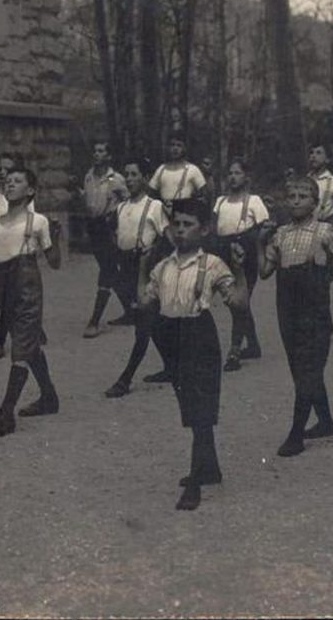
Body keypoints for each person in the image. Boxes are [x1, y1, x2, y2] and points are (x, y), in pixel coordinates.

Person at [139, 197, 247, 511]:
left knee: (200, 409)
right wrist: (143, 267)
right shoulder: (163, 267)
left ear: (204, 230)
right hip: (171, 336)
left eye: (189, 225)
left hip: (200, 335)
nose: (181, 231)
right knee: (189, 405)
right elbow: (144, 304)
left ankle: (196, 481)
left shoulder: (212, 265)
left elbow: (237, 304)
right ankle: (210, 468)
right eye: (177, 225)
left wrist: (239, 271)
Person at [257, 176, 333, 457]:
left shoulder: (325, 232)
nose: (297, 201)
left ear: (316, 202)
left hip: (315, 311)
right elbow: (265, 271)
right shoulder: (280, 234)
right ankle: (325, 421)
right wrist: (259, 243)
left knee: (308, 369)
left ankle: (296, 433)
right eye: (292, 196)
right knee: (299, 368)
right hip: (287, 309)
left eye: (304, 196)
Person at [0, 165, 63, 438]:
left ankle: (5, 414)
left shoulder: (38, 222)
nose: (10, 184)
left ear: (30, 190)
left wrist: (56, 238)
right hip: (3, 289)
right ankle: (49, 397)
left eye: (17, 181)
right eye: (8, 181)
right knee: (27, 345)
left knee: (20, 349)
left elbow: (55, 263)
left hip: (27, 290)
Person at [103, 160, 171, 398]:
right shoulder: (121, 208)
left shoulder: (155, 207)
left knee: (143, 326)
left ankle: (125, 379)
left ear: (145, 177)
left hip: (149, 268)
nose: (130, 179)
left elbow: (168, 239)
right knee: (152, 322)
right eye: (127, 175)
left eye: (134, 174)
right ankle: (172, 367)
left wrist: (152, 255)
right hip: (128, 268)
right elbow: (116, 236)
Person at [211, 161, 270, 369]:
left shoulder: (254, 201)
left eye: (237, 173)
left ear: (246, 177)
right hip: (224, 254)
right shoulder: (220, 202)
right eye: (230, 172)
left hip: (247, 256)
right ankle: (253, 345)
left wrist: (251, 241)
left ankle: (234, 352)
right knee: (236, 303)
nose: (233, 176)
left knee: (240, 303)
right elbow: (214, 228)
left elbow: (265, 228)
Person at [0, 152, 34, 360]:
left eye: (8, 169)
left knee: (9, 299)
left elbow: (26, 223)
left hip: (16, 253)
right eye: (1, 169)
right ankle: (32, 329)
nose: (3, 173)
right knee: (3, 299)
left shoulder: (23, 199)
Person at [78, 141, 130, 338]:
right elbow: (89, 204)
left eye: (101, 151)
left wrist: (116, 218)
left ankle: (94, 320)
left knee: (107, 270)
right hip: (94, 227)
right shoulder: (89, 176)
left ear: (108, 156)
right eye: (95, 150)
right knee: (110, 271)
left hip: (110, 228)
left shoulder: (116, 179)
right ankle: (130, 310)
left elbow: (128, 203)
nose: (96, 154)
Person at [147, 131, 208, 208]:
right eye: (172, 145)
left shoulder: (192, 169)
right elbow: (151, 194)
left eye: (179, 145)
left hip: (185, 214)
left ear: (184, 148)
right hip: (163, 213)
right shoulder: (161, 170)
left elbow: (204, 195)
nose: (175, 148)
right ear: (168, 148)